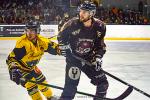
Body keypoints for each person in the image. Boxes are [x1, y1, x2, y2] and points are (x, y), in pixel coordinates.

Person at [57, 1, 109, 100]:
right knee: (70, 88)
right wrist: (65, 49)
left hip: (89, 60)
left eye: (85, 12)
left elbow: (100, 45)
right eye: (81, 11)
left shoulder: (100, 26)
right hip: (74, 59)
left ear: (92, 13)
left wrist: (98, 57)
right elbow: (60, 36)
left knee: (103, 83)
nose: (81, 14)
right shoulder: (72, 24)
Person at [6, 20, 60, 100]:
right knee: (31, 85)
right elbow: (12, 59)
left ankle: (50, 97)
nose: (29, 33)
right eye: (27, 30)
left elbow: (55, 48)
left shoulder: (42, 41)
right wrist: (13, 69)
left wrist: (62, 49)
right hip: (21, 68)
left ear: (37, 31)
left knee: (42, 80)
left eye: (32, 30)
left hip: (32, 67)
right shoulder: (23, 43)